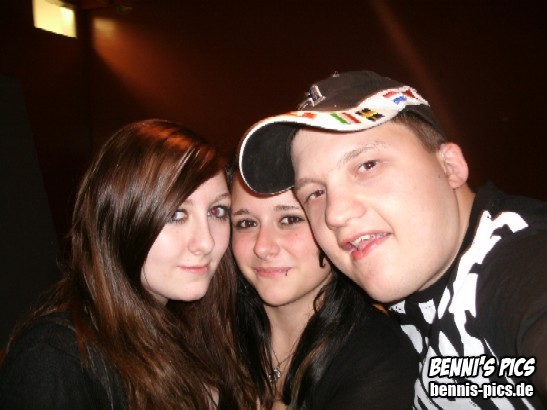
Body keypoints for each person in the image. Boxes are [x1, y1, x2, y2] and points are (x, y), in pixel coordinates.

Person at [236, 70, 547, 409]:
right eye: (316, 192)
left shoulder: (516, 260)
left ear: (450, 165)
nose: (335, 213)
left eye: (367, 165)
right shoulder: (401, 302)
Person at [0, 119, 254, 409]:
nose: (206, 242)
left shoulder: (197, 330)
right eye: (176, 214)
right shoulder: (56, 360)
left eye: (217, 211)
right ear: (119, 221)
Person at [229, 168, 417, 409]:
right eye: (246, 223)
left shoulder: (379, 356)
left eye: (290, 219)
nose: (262, 247)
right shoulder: (212, 332)